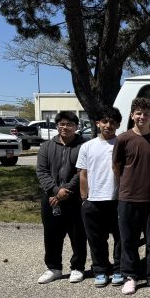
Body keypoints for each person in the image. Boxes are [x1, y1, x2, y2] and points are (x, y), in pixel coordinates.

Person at [112, 97, 150, 294]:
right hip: (128, 198)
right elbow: (116, 166)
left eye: (146, 114)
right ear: (132, 115)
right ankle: (130, 276)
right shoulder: (123, 139)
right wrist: (125, 186)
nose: (142, 117)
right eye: (139, 113)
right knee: (128, 241)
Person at [35, 110, 87, 284]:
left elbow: (81, 172)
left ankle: (78, 267)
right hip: (51, 198)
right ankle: (53, 268)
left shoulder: (83, 146)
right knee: (51, 235)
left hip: (75, 198)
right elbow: (41, 171)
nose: (65, 127)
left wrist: (66, 191)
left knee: (78, 234)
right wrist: (55, 191)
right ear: (57, 126)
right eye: (62, 124)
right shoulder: (46, 147)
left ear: (76, 127)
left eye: (70, 124)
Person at [76, 106, 122, 288]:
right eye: (104, 121)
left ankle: (119, 269)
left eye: (112, 122)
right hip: (93, 201)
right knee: (96, 239)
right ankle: (101, 271)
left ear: (117, 125)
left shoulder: (122, 143)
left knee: (120, 238)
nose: (108, 125)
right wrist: (84, 199)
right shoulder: (87, 146)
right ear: (97, 123)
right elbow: (83, 174)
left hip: (117, 199)